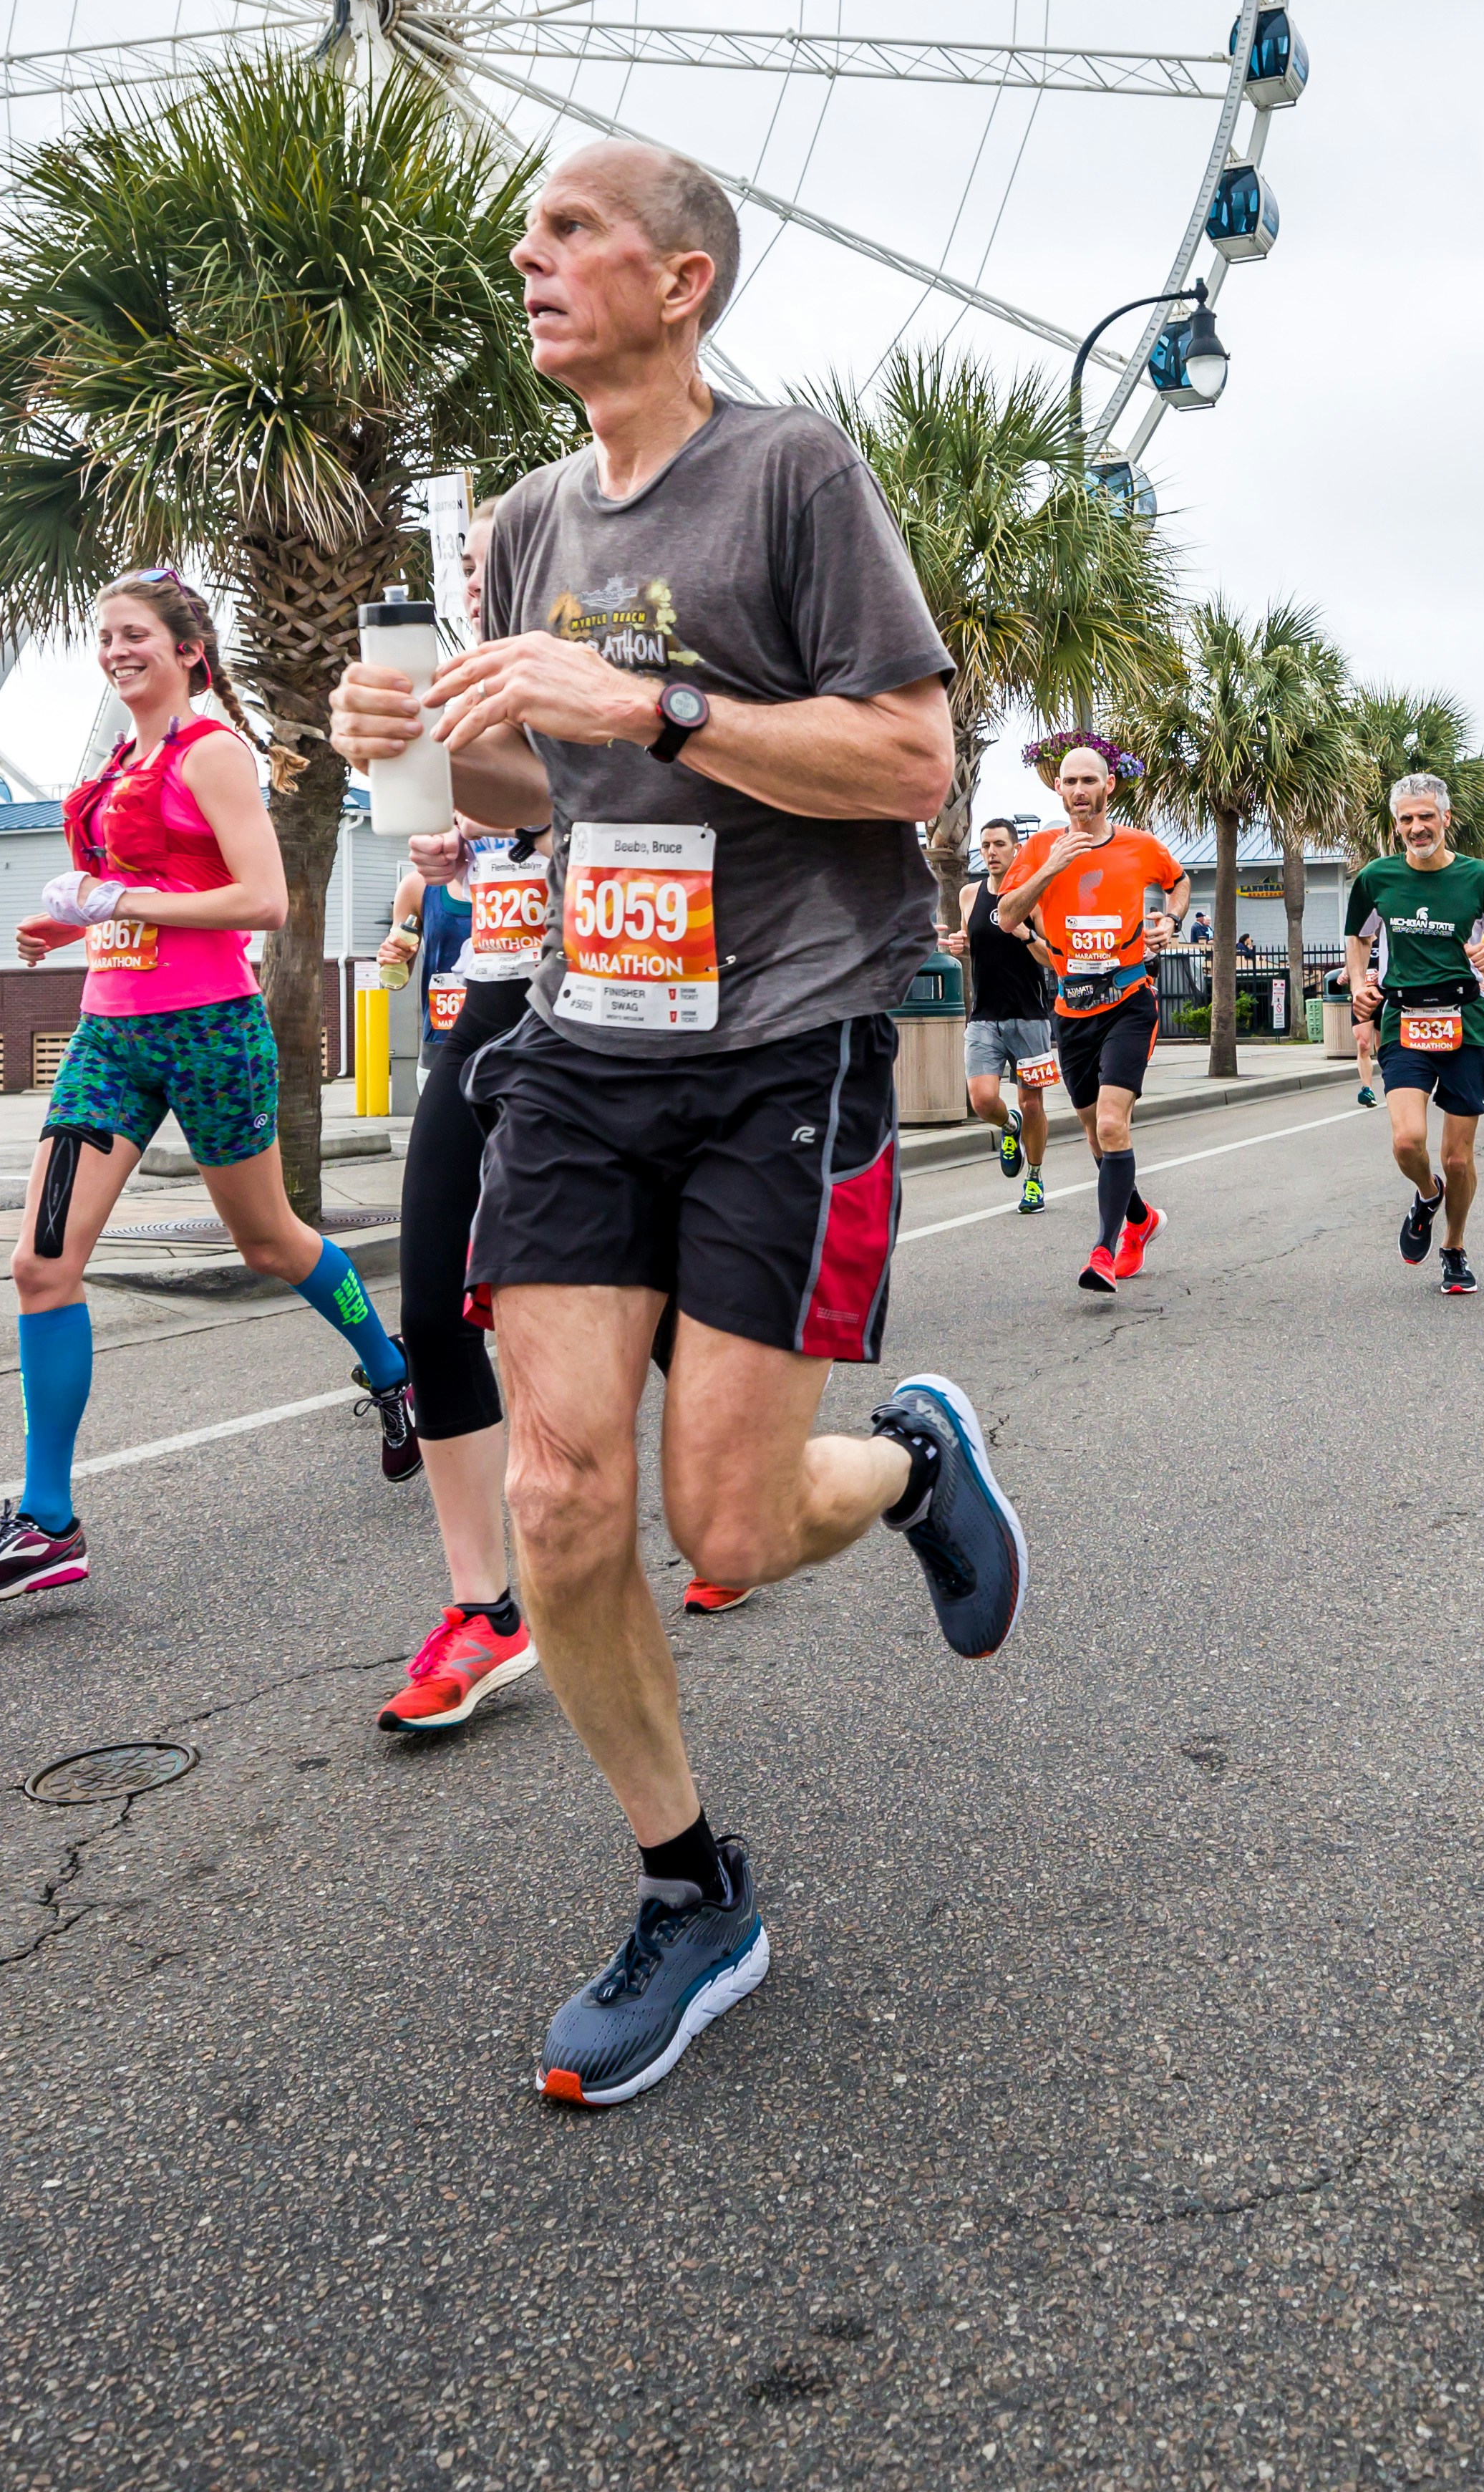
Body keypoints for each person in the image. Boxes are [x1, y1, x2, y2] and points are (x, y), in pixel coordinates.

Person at [329, 137, 1024, 2110]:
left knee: (726, 1519)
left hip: (782, 1033)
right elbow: (534, 797)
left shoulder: (790, 472)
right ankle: (690, 1887)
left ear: (683, 278)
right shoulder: (526, 520)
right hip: (584, 1031)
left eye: (569, 234)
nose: (530, 264)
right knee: (560, 1495)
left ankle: (906, 1461)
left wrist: (658, 708)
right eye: (522, 242)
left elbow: (904, 757)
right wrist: (419, 744)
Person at [0, 574, 414, 1611]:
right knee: (41, 1262)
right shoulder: (116, 767)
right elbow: (135, 902)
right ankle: (47, 1524)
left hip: (210, 1033)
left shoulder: (214, 753)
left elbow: (264, 900)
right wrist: (76, 925)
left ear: (190, 649)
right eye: (103, 637)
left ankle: (390, 1364)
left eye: (135, 633)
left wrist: (114, 898)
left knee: (272, 1243)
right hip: (111, 1036)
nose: (114, 650)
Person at [369, 813, 549, 1727]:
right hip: (487, 1007)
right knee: (435, 1314)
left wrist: (541, 820)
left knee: (648, 1298)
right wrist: (457, 846)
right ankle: (487, 1611)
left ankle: (732, 1506)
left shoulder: (641, 678)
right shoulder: (484, 700)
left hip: (611, 1010)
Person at [993, 735, 1186, 1293]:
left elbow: (1178, 884)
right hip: (1070, 1006)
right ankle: (1141, 1219)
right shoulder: (1039, 851)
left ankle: (1105, 1251)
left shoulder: (1141, 846)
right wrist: (1049, 867)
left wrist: (1169, 920)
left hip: (1128, 999)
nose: (1080, 790)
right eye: (1070, 781)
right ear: (1057, 789)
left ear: (1110, 786)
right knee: (1096, 1137)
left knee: (1110, 1122)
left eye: (1089, 780)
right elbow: (1007, 917)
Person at [1342, 773, 1484, 1297]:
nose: (1417, 828)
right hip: (1403, 1020)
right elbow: (1358, 937)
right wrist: (1360, 985)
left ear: (1446, 819)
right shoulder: (1377, 878)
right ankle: (1427, 1195)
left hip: (1464, 1022)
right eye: (1406, 819)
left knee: (1458, 1157)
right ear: (1396, 824)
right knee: (1407, 1142)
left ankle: (1453, 1246)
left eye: (1426, 817)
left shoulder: (1481, 878)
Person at [954, 814, 1059, 1222]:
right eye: (986, 846)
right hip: (983, 1017)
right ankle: (1008, 1125)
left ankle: (1034, 1178)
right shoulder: (969, 895)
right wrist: (956, 948)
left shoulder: (1031, 898)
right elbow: (972, 947)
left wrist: (1027, 935)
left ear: (1016, 850)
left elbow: (1053, 958)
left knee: (1033, 1103)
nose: (992, 852)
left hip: (1028, 1017)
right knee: (982, 1101)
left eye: (1000, 844)